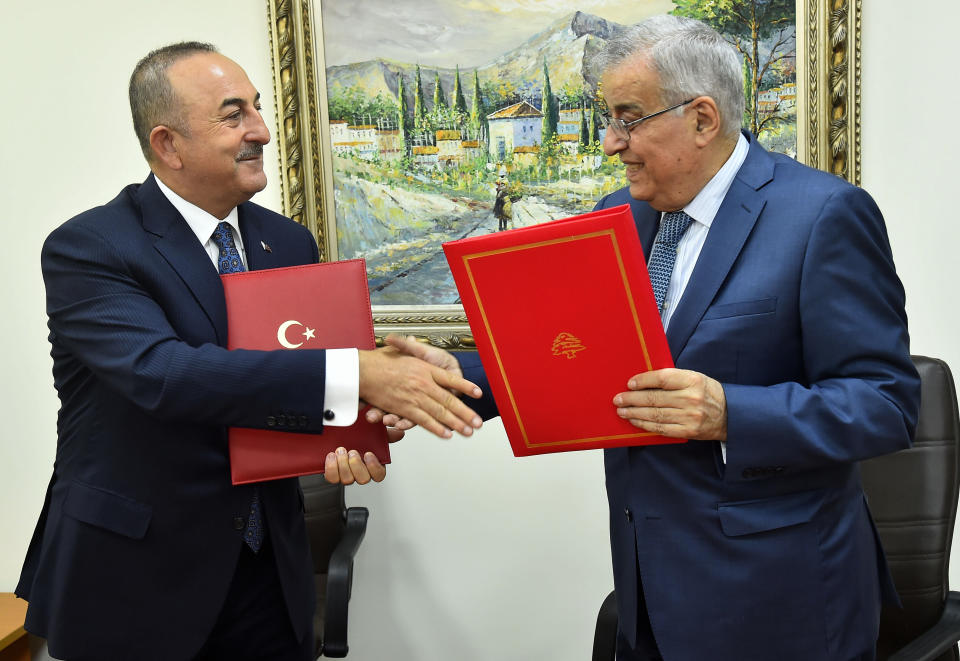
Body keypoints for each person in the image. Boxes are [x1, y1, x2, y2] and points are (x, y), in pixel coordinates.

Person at [384, 14, 920, 661]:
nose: (610, 142)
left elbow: (886, 403)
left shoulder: (823, 216)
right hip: (648, 593)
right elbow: (561, 355)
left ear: (701, 119)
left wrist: (730, 413)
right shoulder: (614, 215)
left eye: (627, 117)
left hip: (782, 602)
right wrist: (437, 378)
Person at [15, 42, 483, 661]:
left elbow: (299, 390)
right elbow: (165, 375)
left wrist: (352, 432)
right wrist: (356, 373)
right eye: (234, 114)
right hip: (133, 578)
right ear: (168, 144)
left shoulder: (286, 242)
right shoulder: (91, 247)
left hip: (268, 577)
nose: (261, 130)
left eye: (258, 108)